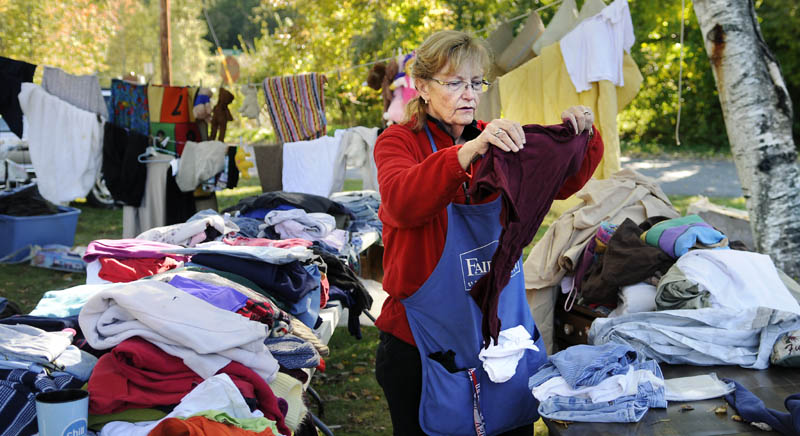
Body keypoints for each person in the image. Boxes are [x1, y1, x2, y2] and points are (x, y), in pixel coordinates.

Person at [373, 30, 604, 435]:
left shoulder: (495, 140)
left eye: (476, 82)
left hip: (499, 336)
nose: (469, 93)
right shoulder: (399, 142)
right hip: (422, 344)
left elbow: (558, 182)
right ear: (422, 87)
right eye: (455, 82)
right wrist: (466, 152)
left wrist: (580, 137)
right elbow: (401, 202)